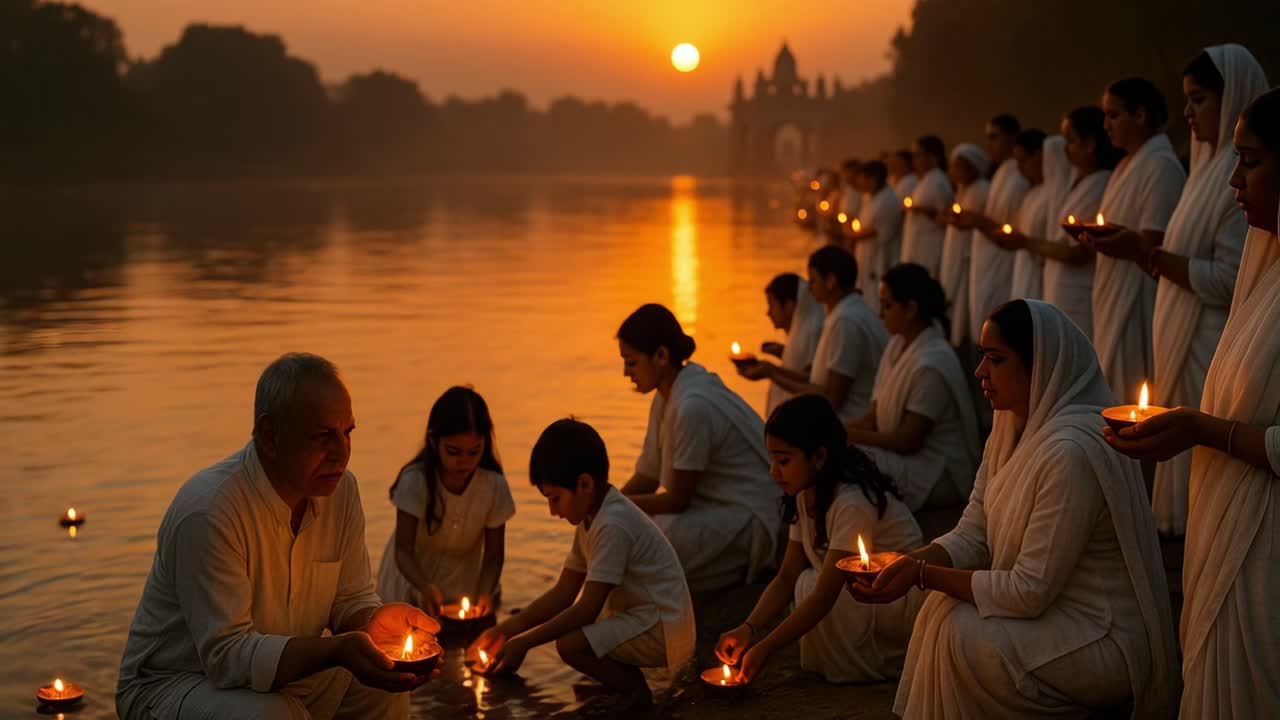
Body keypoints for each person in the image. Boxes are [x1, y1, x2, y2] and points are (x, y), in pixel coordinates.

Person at [851, 300, 1178, 717]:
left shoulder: (1071, 452)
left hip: (1099, 635)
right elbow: (974, 532)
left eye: (996, 359)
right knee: (942, 610)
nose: (979, 373)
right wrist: (906, 565)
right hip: (1050, 619)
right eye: (982, 357)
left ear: (1040, 366)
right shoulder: (1009, 430)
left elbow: (1029, 591)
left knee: (956, 632)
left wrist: (921, 575)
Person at [116, 353, 438, 720]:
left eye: (347, 433)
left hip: (279, 678)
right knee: (273, 715)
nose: (342, 452)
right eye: (323, 436)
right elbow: (226, 657)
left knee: (383, 688)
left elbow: (350, 597)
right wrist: (336, 651)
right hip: (174, 686)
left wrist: (373, 623)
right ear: (269, 435)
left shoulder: (342, 492)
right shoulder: (210, 510)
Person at [1105, 87, 1280, 717]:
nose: (1233, 179)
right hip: (1235, 519)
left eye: (1252, 161)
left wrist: (1205, 431)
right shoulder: (1269, 268)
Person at [1093, 46, 1266, 536]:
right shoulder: (1205, 171)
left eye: (1200, 99)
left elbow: (1231, 278)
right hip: (1178, 330)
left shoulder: (1243, 179)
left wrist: (1146, 254)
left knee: (1205, 473)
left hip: (1209, 340)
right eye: (1186, 99)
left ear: (1232, 98)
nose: (1187, 112)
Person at [469, 419, 695, 711]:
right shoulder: (593, 515)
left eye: (555, 499)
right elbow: (563, 593)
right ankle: (625, 687)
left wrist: (524, 643)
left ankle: (636, 694)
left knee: (570, 644)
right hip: (646, 618)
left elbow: (586, 608)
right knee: (579, 633)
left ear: (585, 484)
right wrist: (506, 631)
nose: (552, 511)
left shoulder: (613, 524)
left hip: (661, 628)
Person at [714, 395, 924, 684]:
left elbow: (825, 595)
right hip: (859, 595)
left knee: (812, 585)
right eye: (772, 459)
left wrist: (765, 648)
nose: (773, 472)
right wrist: (748, 628)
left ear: (819, 456)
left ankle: (870, 663)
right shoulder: (804, 493)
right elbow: (786, 575)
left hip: (895, 598)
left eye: (784, 460)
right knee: (803, 582)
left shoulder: (851, 502)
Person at [618, 304, 781, 592]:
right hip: (716, 511)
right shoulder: (667, 395)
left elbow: (678, 500)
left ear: (661, 356)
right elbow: (648, 476)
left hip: (752, 517)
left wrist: (610, 506)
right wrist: (603, 509)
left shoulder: (693, 405)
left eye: (631, 362)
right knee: (622, 534)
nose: (625, 373)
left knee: (646, 544)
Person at [1085, 77, 1187, 402]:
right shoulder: (1126, 165)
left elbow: (1152, 246)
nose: (1106, 125)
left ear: (1140, 115)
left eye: (1113, 115)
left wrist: (1115, 241)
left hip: (1138, 295)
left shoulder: (1160, 165)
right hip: (1113, 286)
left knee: (1131, 393)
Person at [846, 264, 979, 511]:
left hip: (937, 472)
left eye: (887, 305)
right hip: (908, 458)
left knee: (845, 461)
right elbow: (872, 418)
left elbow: (908, 441)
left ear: (910, 309)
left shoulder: (932, 363)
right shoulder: (897, 346)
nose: (880, 313)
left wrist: (843, 437)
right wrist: (831, 432)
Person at [376, 386, 516, 616]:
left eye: (474, 452)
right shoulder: (416, 481)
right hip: (412, 581)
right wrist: (424, 586)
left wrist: (484, 592)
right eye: (453, 452)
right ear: (433, 441)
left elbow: (493, 556)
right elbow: (403, 549)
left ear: (485, 443)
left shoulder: (493, 486)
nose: (464, 462)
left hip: (464, 584)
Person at [748, 246, 887, 423]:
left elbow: (831, 399)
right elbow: (815, 379)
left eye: (813, 280)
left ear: (830, 281)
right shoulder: (844, 314)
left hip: (850, 426)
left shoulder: (846, 321)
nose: (809, 288)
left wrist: (773, 375)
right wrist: (771, 370)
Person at [1032, 106, 1119, 338]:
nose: (1065, 150)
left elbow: (1078, 252)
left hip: (1078, 293)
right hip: (1060, 289)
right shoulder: (1077, 181)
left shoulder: (1100, 182)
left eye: (1070, 141)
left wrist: (1023, 242)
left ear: (1090, 144)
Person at [961, 114, 1031, 344]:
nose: (989, 144)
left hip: (1005, 258)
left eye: (994, 137)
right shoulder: (1001, 172)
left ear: (1013, 137)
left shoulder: (1021, 174)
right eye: (987, 138)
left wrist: (980, 221)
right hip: (986, 256)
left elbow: (1015, 227)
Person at [992, 130, 1073, 302]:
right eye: (1017, 162)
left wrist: (1024, 242)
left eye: (1024, 160)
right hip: (1023, 270)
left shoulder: (1056, 196)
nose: (1020, 168)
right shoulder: (1032, 193)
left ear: (1040, 156)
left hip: (1041, 275)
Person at [743, 272, 824, 416]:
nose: (768, 312)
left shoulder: (812, 332)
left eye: (772, 305)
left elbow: (809, 378)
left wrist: (770, 372)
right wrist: (782, 353)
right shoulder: (799, 335)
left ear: (789, 306)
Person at [938, 143, 991, 347]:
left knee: (965, 307)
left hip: (969, 256)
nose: (955, 172)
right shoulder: (963, 190)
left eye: (960, 166)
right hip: (955, 251)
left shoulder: (981, 189)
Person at [842, 159, 905, 314]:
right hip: (865, 256)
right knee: (867, 294)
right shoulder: (870, 198)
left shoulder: (888, 200)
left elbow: (876, 231)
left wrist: (850, 233)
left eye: (862, 180)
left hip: (880, 257)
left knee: (878, 298)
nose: (859, 184)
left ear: (873, 179)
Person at [899, 135, 955, 278]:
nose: (914, 160)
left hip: (929, 247)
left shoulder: (938, 181)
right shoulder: (926, 180)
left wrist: (925, 211)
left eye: (918, 155)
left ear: (932, 156)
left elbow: (946, 217)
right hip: (917, 244)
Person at [839, 158, 864, 222]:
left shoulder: (863, 192)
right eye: (844, 172)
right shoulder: (847, 190)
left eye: (848, 172)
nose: (845, 176)